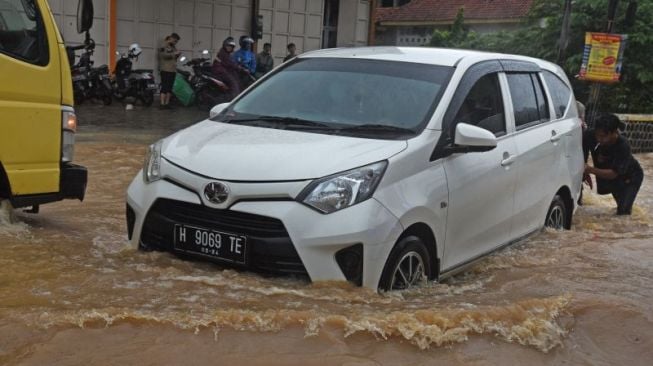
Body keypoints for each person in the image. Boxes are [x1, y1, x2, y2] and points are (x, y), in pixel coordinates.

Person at [583, 113, 644, 215]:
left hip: (631, 177)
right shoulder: (590, 135)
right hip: (614, 178)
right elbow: (582, 153)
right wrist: (584, 173)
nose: (599, 139)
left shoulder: (623, 145)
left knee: (623, 210)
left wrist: (590, 170)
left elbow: (613, 174)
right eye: (597, 135)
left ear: (614, 133)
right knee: (620, 205)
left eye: (603, 136)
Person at [157, 33, 180, 109]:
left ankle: (167, 104)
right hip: (165, 69)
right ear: (171, 38)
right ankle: (162, 104)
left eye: (176, 42)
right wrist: (174, 54)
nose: (175, 43)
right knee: (164, 87)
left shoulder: (173, 47)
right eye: (175, 41)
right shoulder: (163, 46)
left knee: (170, 88)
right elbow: (163, 55)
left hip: (172, 70)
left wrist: (178, 54)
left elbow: (174, 57)